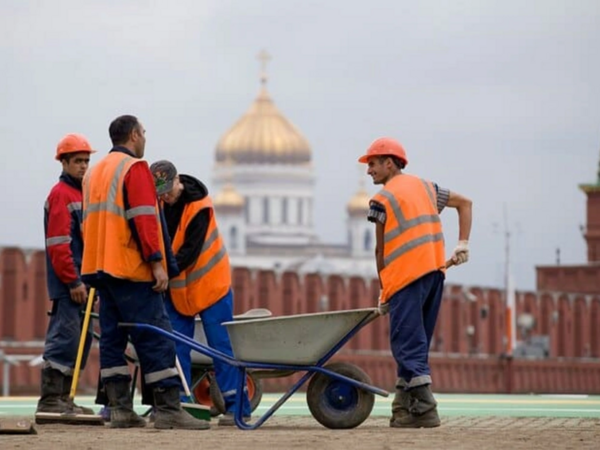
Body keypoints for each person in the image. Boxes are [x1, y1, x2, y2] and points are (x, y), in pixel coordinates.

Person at [80, 115, 208, 430]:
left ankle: (121, 409)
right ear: (135, 135)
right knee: (155, 337)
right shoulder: (134, 169)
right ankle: (168, 410)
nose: (145, 138)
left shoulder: (94, 173)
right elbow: (144, 219)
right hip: (130, 269)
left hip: (99, 268)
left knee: (112, 338)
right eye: (144, 133)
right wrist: (157, 263)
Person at [358, 137, 472, 428]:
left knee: (406, 344)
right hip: (434, 274)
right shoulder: (427, 187)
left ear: (389, 163)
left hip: (406, 279)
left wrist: (384, 291)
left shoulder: (381, 200)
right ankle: (404, 407)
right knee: (416, 344)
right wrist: (462, 244)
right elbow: (466, 203)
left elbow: (380, 250)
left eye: (372, 164)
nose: (369, 170)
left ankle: (425, 408)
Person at [149, 160, 251, 426]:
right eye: (159, 193)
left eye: (167, 191)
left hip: (211, 285)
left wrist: (159, 272)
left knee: (221, 347)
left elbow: (188, 252)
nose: (165, 197)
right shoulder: (159, 205)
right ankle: (180, 406)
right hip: (179, 289)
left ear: (177, 182)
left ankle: (238, 408)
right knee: (175, 346)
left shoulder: (200, 207)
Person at [35, 134, 97, 420]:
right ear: (64, 162)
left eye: (86, 161)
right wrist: (72, 281)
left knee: (79, 341)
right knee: (64, 337)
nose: (84, 166)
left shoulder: (81, 194)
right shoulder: (62, 194)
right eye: (78, 161)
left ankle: (65, 399)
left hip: (83, 281)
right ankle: (51, 400)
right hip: (70, 284)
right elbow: (59, 244)